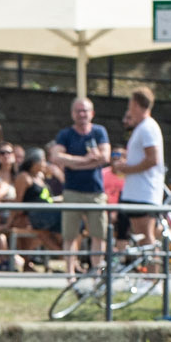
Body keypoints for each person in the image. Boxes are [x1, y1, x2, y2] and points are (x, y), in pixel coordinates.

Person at [47, 97, 110, 271]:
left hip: (95, 192)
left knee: (98, 234)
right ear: (72, 114)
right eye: (78, 111)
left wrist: (73, 163)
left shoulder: (99, 132)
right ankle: (70, 274)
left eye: (85, 110)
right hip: (72, 191)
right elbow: (56, 156)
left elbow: (105, 157)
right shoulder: (65, 134)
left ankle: (97, 273)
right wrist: (87, 160)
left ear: (92, 113)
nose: (82, 114)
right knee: (70, 235)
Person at [115, 86, 167, 245]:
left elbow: (153, 159)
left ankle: (153, 270)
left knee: (147, 238)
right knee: (142, 239)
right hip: (136, 193)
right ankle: (148, 269)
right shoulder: (142, 127)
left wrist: (127, 168)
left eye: (130, 104)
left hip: (145, 193)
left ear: (136, 104)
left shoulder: (148, 127)